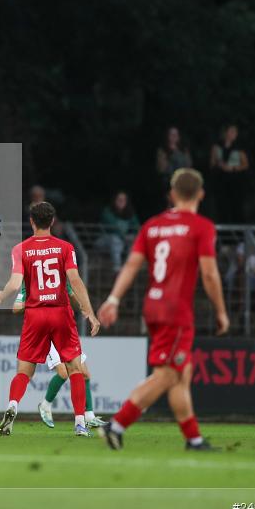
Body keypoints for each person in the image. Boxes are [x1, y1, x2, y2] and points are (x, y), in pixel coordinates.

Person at [96, 168, 230, 451]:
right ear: (201, 194)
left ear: (172, 193)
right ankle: (117, 425)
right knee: (168, 374)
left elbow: (132, 264)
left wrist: (113, 299)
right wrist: (220, 311)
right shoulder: (201, 226)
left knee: (182, 373)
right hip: (175, 309)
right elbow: (209, 274)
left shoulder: (152, 225)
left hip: (152, 306)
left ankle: (193, 439)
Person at [0, 202, 100, 437]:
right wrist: (89, 312)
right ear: (52, 221)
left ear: (31, 221)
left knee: (24, 371)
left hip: (35, 314)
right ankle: (80, 423)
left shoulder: (21, 249)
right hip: (60, 313)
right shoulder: (65, 247)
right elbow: (76, 281)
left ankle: (12, 406)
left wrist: (1, 295)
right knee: (75, 368)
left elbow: (14, 283)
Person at [12, 283, 107, 428]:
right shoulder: (32, 277)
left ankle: (89, 416)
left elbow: (71, 293)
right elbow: (16, 307)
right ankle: (45, 405)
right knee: (63, 373)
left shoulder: (57, 270)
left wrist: (83, 309)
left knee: (85, 374)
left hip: (62, 327)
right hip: (47, 330)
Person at [210, 124, 249, 223]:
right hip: (220, 181)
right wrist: (219, 165)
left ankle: (238, 234)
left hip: (235, 181)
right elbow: (211, 164)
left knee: (236, 208)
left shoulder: (239, 147)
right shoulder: (216, 146)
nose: (234, 134)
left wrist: (233, 168)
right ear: (226, 132)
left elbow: (245, 165)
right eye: (232, 131)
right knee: (222, 207)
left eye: (235, 132)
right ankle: (224, 234)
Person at [95, 191, 141, 272]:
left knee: (133, 240)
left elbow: (136, 227)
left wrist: (133, 236)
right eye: (119, 199)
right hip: (104, 242)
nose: (121, 201)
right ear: (114, 200)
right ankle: (117, 268)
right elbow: (114, 228)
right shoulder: (107, 212)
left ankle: (130, 267)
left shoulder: (129, 213)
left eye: (124, 199)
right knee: (115, 239)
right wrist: (125, 237)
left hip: (122, 242)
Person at [156, 126, 192, 193]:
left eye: (176, 134)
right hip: (169, 183)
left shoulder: (184, 149)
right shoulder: (162, 150)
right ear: (167, 136)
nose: (174, 136)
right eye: (171, 134)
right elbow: (161, 169)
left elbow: (189, 165)